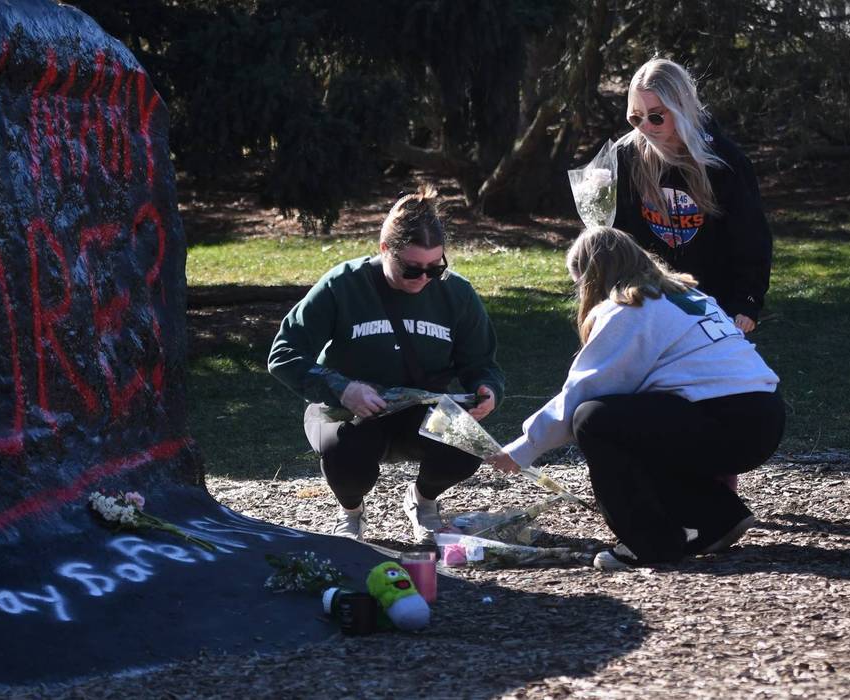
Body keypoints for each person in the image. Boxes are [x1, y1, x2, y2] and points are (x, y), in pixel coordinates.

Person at [486, 226, 784, 570]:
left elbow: (586, 391)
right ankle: (718, 517)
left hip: (723, 421)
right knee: (632, 423)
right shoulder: (687, 294)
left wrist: (525, 447)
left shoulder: (630, 308)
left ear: (592, 277)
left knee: (594, 419)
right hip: (764, 417)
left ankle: (648, 542)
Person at [268, 185, 505, 544]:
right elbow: (284, 353)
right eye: (411, 269)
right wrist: (343, 389)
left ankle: (423, 501)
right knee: (344, 457)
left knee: (469, 445)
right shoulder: (344, 284)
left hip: (420, 410)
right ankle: (351, 512)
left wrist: (488, 391)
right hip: (348, 409)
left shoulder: (456, 292)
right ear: (384, 250)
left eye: (435, 268)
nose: (424, 278)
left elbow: (481, 362)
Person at [613, 57, 772, 335]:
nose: (645, 127)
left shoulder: (722, 160)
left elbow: (751, 236)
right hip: (650, 303)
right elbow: (619, 233)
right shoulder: (626, 157)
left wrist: (747, 302)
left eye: (656, 116)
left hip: (714, 305)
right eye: (635, 117)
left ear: (680, 107)